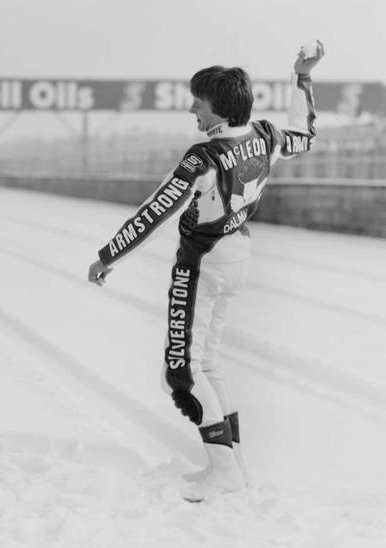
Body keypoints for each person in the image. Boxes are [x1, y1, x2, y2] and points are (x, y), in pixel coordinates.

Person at [87, 43, 324, 500]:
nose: (193, 108)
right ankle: (233, 467)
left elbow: (153, 213)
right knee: (208, 362)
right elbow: (306, 134)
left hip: (202, 264)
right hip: (239, 255)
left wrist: (107, 257)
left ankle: (225, 471)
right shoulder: (267, 135)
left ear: (217, 109)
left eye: (199, 101)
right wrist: (302, 78)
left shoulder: (203, 156)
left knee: (181, 373)